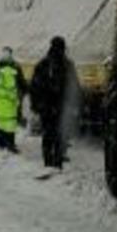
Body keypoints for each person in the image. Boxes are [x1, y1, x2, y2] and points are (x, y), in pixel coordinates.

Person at [30, 36, 81, 170]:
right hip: (60, 107)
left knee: (49, 135)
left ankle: (49, 162)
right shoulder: (67, 65)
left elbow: (34, 87)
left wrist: (36, 106)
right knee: (58, 135)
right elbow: (74, 87)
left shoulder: (43, 64)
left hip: (48, 107)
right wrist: (76, 106)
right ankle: (56, 163)